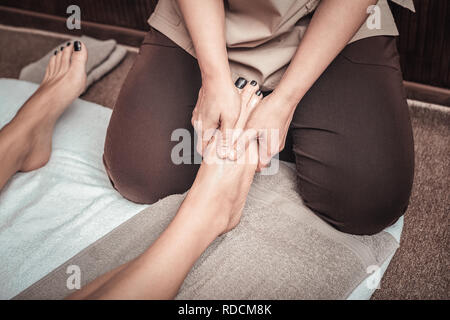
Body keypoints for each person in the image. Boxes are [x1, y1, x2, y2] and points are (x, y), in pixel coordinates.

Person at [103, 0, 415, 236]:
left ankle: (278, 114)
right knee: (139, 175)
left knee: (368, 200)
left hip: (328, 18)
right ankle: (262, 117)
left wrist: (286, 100)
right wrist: (213, 78)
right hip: (207, 16)